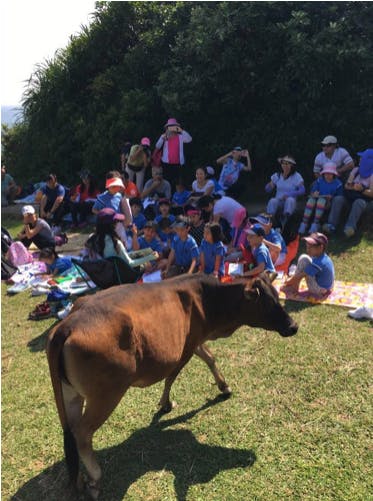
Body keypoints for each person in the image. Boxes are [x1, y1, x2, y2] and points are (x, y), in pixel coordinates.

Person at [323, 148, 373, 237]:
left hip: (363, 200)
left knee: (359, 202)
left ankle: (350, 227)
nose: (360, 160)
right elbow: (347, 185)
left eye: (362, 158)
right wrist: (353, 186)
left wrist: (361, 189)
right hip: (350, 197)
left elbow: (372, 193)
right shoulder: (356, 170)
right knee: (338, 199)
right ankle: (331, 225)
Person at [85, 208, 157, 270]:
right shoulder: (116, 243)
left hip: (103, 274)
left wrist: (146, 253)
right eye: (117, 222)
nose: (119, 224)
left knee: (146, 252)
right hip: (120, 275)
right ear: (112, 225)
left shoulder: (91, 239)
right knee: (149, 264)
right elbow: (130, 263)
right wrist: (150, 257)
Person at [298, 162, 343, 235]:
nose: (328, 175)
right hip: (316, 200)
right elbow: (312, 192)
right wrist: (315, 193)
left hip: (328, 203)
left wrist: (330, 198)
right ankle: (304, 223)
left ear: (334, 174)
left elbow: (339, 197)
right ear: (323, 174)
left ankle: (315, 224)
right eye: (326, 173)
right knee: (311, 200)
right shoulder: (319, 181)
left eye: (330, 173)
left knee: (321, 201)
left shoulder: (338, 184)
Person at [265, 155, 305, 228]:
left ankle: (285, 222)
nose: (284, 165)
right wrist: (269, 185)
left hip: (290, 202)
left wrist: (289, 194)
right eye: (283, 163)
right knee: (273, 200)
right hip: (279, 200)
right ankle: (269, 221)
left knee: (290, 200)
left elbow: (302, 190)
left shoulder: (296, 176)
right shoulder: (277, 175)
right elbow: (267, 190)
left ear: (292, 165)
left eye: (287, 163)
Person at [155, 118, 192, 190]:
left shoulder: (181, 137)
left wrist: (180, 130)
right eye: (170, 126)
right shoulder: (164, 136)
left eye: (173, 126)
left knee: (177, 182)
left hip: (178, 164)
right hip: (166, 164)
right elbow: (157, 146)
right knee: (167, 181)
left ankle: (176, 197)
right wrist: (163, 138)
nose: (172, 128)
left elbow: (189, 139)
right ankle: (167, 197)